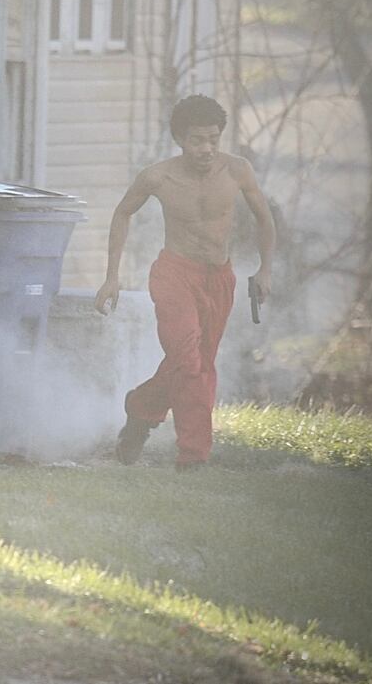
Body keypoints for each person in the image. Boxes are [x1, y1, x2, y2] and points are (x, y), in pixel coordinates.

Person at [95, 94, 277, 469]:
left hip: (219, 278)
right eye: (197, 140)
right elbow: (122, 214)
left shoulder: (237, 170)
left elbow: (264, 217)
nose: (207, 148)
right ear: (180, 138)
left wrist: (265, 269)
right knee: (190, 362)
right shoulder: (158, 176)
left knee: (197, 362)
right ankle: (193, 457)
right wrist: (111, 277)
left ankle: (141, 410)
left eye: (214, 139)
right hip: (174, 274)